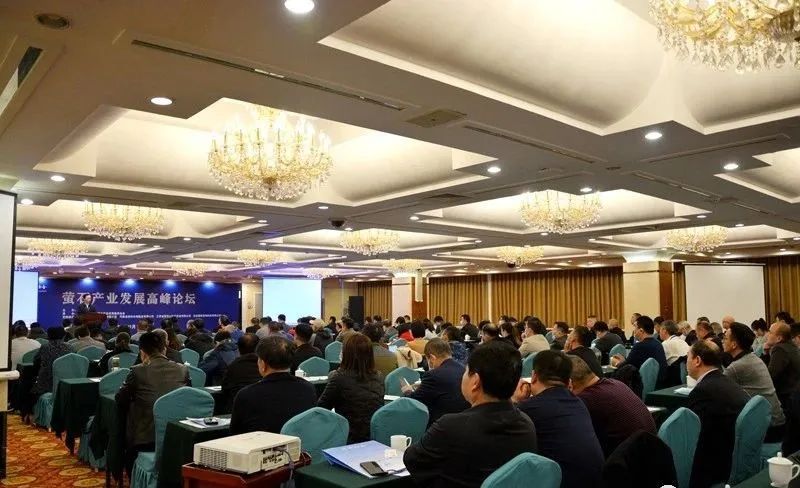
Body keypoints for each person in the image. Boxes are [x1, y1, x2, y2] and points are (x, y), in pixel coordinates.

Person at [404, 341, 538, 488]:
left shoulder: (451, 427)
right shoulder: (526, 424)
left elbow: (412, 460)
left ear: (475, 381)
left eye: (466, 371)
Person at [514, 350, 603, 488]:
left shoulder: (528, 409)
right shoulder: (579, 403)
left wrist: (516, 401)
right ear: (568, 382)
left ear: (534, 376)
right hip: (597, 480)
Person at [115, 332, 190, 474]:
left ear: (142, 353)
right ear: (164, 349)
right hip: (177, 434)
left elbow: (120, 398)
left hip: (146, 437)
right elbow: (187, 396)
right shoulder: (183, 369)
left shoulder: (137, 371)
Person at [686, 340, 749, 488]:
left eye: (688, 357)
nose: (686, 362)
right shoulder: (726, 381)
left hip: (716, 465)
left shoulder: (703, 391)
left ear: (697, 360)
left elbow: (691, 435)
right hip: (735, 454)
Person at [568, 356, 656, 457]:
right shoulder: (617, 384)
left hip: (630, 462)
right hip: (652, 456)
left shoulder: (584, 401)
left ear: (569, 384)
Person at [230, 336, 317, 434]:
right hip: (299, 442)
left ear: (263, 364)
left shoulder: (246, 395)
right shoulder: (308, 388)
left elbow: (235, 433)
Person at [723, 322, 785, 442]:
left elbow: (717, 389)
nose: (722, 341)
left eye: (725, 338)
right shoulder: (754, 358)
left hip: (767, 427)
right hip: (777, 421)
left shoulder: (737, 366)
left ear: (734, 344)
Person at [317, 333, 384, 443]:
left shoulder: (339, 377)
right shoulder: (379, 376)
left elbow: (321, 410)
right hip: (374, 436)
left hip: (347, 437)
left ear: (346, 354)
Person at [401, 339, 470, 425]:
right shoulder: (463, 369)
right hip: (464, 421)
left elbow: (414, 400)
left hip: (440, 423)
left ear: (432, 358)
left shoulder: (433, 375)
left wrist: (407, 391)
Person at [611, 315, 667, 384]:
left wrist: (616, 363)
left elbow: (625, 367)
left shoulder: (640, 346)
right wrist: (624, 361)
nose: (634, 330)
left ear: (641, 330)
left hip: (644, 385)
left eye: (635, 327)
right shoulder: (658, 343)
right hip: (660, 383)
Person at [765, 321, 800, 417]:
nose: (767, 334)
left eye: (770, 332)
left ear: (779, 338)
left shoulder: (779, 349)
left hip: (787, 397)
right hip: (794, 393)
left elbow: (770, 375)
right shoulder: (791, 346)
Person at [220, 333, 262, 413]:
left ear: (238, 349)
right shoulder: (266, 365)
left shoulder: (233, 366)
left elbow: (225, 388)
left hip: (237, 408)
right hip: (261, 408)